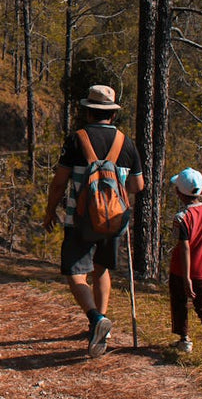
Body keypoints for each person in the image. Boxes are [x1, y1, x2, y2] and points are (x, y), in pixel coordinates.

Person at [43, 84, 145, 358]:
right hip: (113, 220)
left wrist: (50, 210)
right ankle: (103, 325)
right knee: (102, 269)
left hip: (80, 219)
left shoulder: (77, 139)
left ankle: (95, 319)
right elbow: (138, 185)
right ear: (111, 115)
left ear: (88, 112)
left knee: (76, 272)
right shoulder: (126, 142)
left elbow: (59, 183)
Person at [168, 167, 202, 364]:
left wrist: (187, 277)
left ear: (179, 192)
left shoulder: (181, 218)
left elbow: (184, 247)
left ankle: (184, 339)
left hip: (181, 271)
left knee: (179, 303)